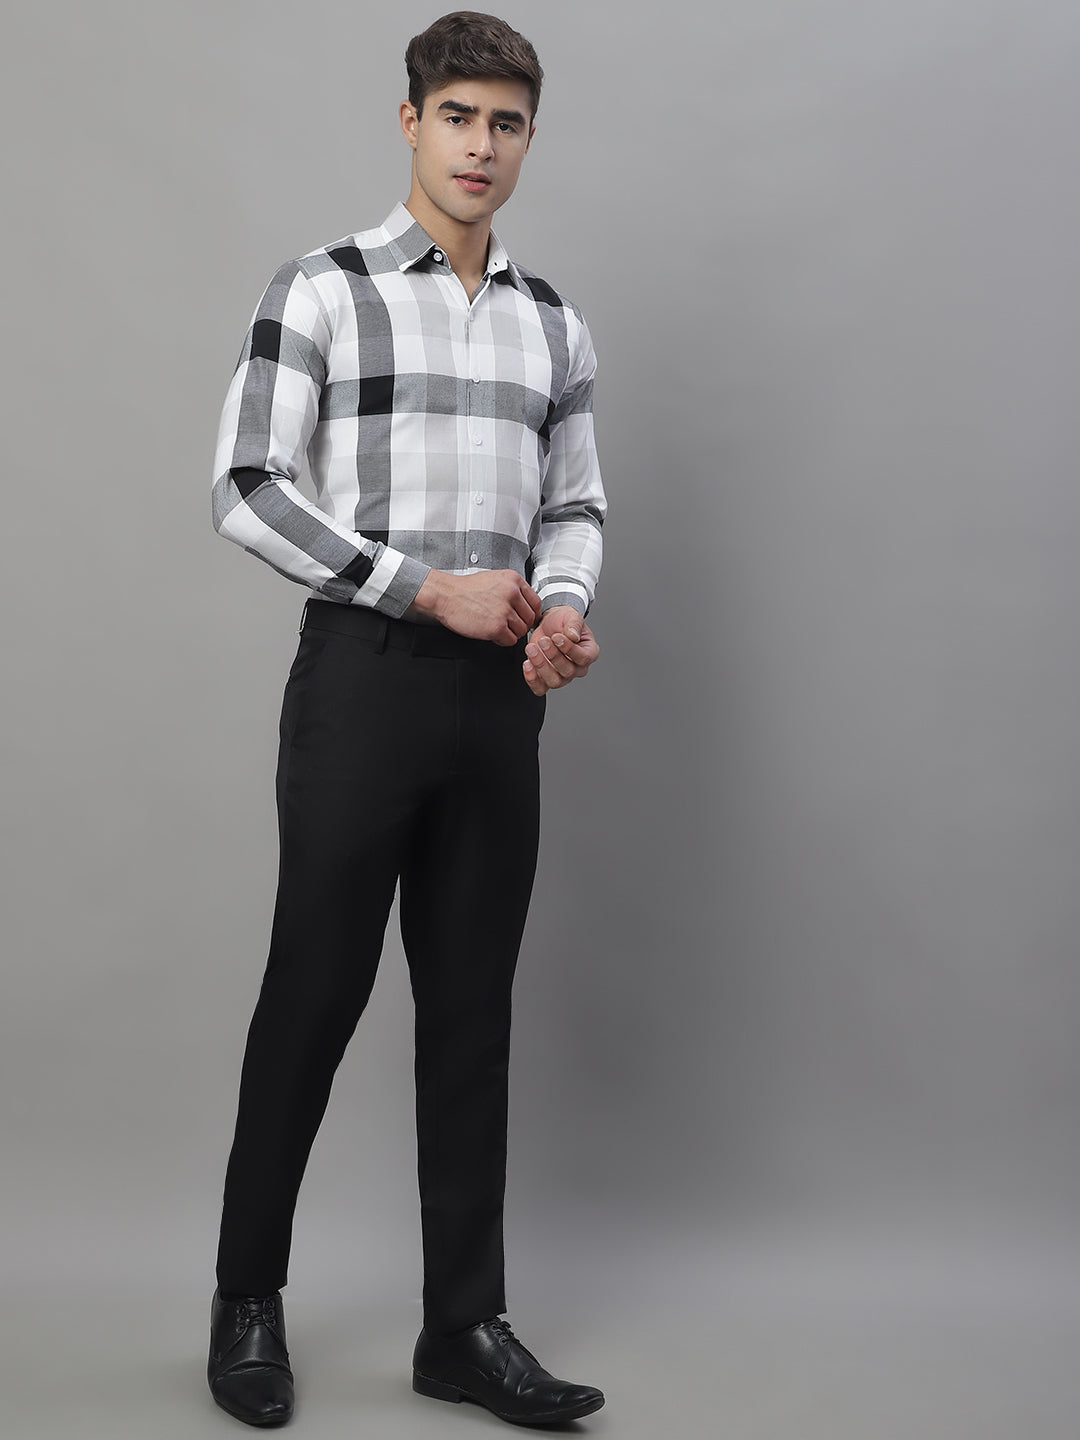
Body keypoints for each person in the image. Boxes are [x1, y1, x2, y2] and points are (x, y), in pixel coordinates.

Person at [205, 10, 607, 1429]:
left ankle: (463, 1329)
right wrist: (422, 588)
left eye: (506, 123)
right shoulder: (323, 288)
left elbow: (574, 502)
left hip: (500, 700)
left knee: (472, 1013)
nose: (480, 145)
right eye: (458, 117)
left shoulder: (555, 322)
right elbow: (245, 486)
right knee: (312, 993)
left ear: (528, 139)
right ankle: (246, 1303)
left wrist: (561, 608)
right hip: (365, 677)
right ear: (411, 123)